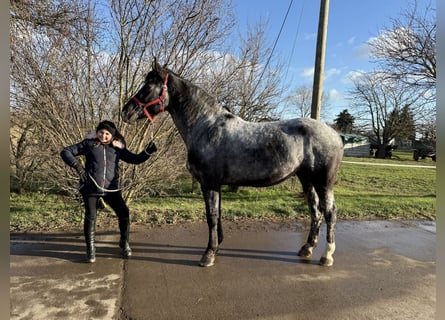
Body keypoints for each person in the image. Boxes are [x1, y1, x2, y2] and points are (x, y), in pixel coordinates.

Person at [60, 120, 157, 263]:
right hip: (91, 188)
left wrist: (147, 151)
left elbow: (135, 159)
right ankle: (90, 249)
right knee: (91, 217)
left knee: (124, 212)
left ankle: (124, 243)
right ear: (97, 132)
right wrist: (78, 167)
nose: (103, 136)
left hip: (111, 189)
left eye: (107, 134)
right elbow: (66, 152)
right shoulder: (89, 144)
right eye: (101, 132)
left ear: (112, 135)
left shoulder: (117, 148)